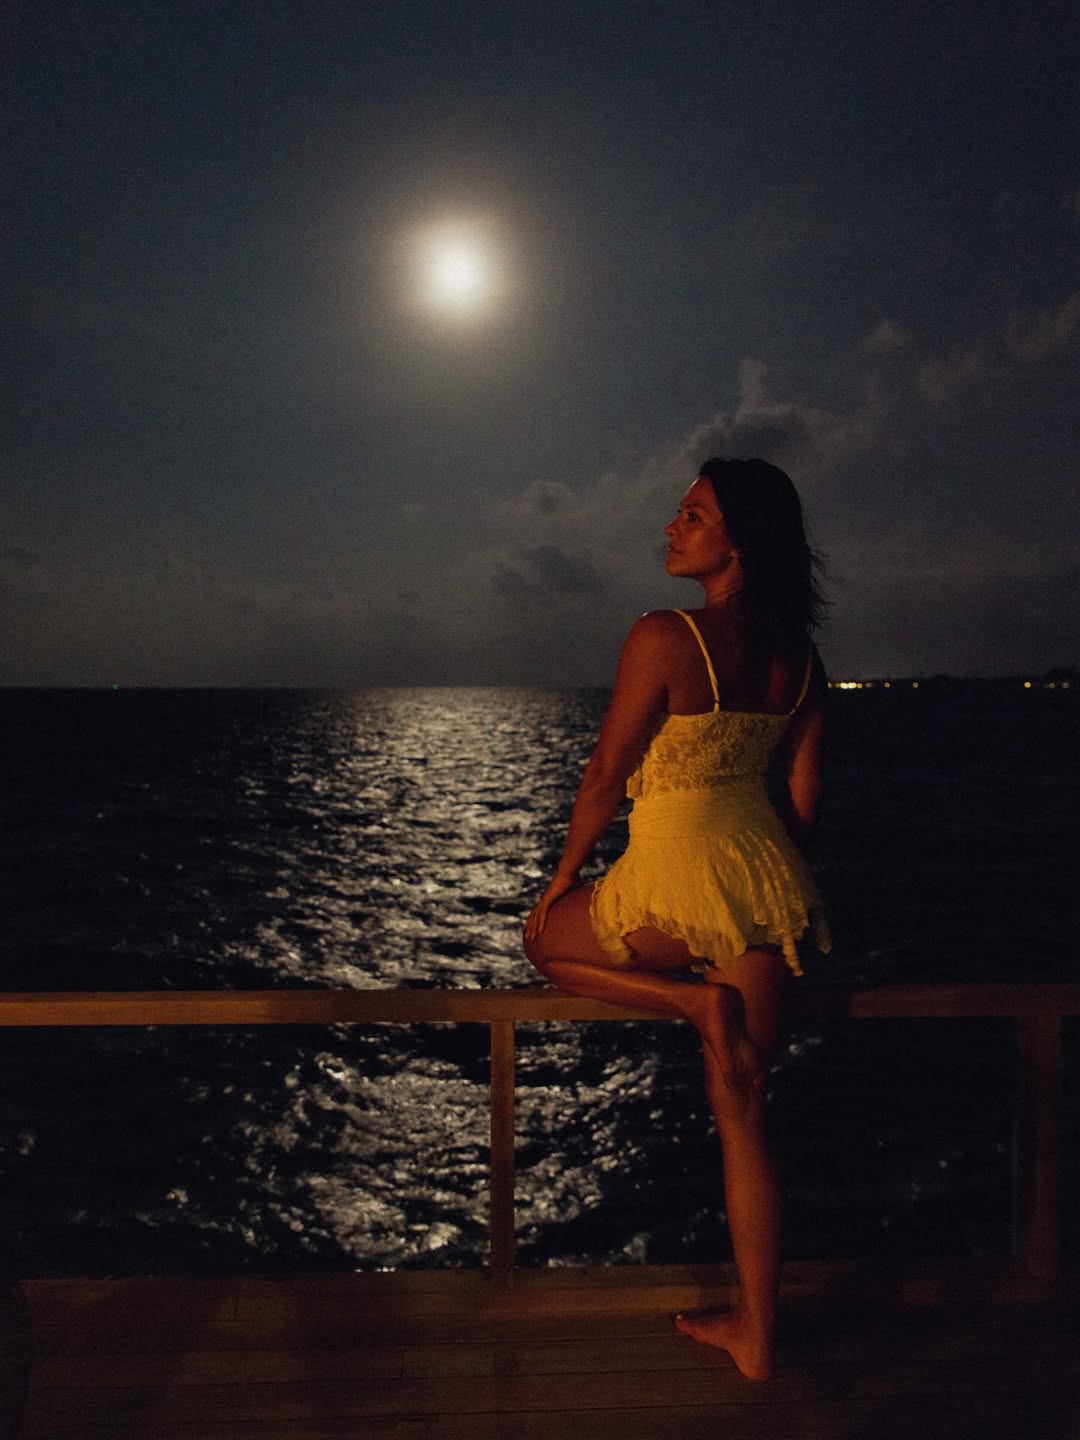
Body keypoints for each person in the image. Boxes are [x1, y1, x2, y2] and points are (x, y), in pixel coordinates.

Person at [523, 456, 830, 1381]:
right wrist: (764, 882)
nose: (672, 525)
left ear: (740, 540)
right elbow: (803, 800)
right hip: (764, 882)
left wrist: (561, 878)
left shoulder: (665, 635)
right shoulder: (802, 660)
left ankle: (692, 1003)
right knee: (745, 1115)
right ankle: (757, 1337)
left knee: (543, 947)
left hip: (676, 872)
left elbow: (604, 776)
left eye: (693, 514)